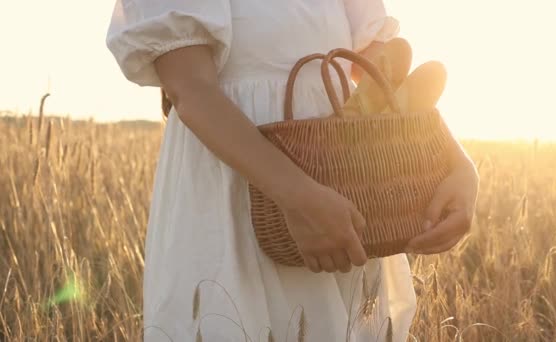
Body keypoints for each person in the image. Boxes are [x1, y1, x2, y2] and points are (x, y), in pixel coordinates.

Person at [105, 0, 479, 340]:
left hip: (336, 193)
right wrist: (298, 196)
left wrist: (457, 161)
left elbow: (384, 80)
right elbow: (190, 89)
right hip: (234, 196)